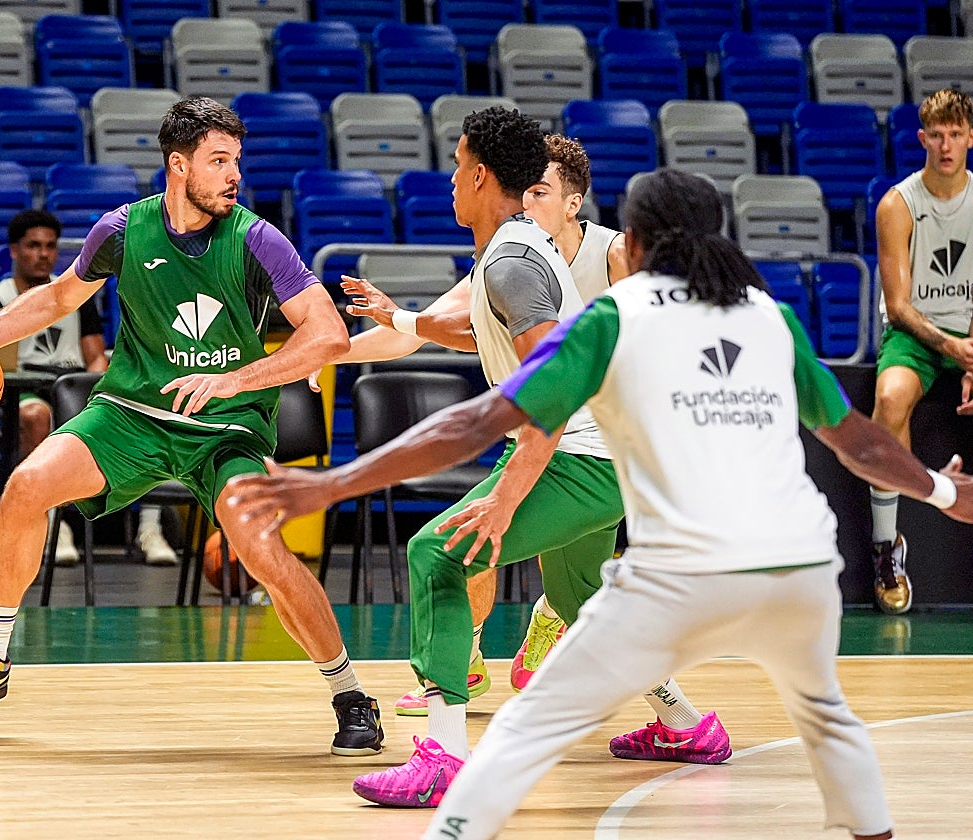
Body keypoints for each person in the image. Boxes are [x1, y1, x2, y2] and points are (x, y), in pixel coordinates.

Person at [228, 168, 973, 839]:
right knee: (830, 723)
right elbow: (857, 441)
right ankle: (720, 744)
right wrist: (943, 489)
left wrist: (330, 484)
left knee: (518, 725)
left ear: (636, 241)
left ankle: (446, 789)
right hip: (804, 572)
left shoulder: (614, 316)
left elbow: (478, 421)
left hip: (682, 577)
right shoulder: (766, 315)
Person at [0, 97, 384, 758]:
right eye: (218, 161)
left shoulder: (257, 239)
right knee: (26, 486)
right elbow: (57, 297)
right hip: (131, 414)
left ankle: (350, 696)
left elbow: (329, 332)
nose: (234, 176)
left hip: (224, 429)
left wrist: (236, 380)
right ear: (178, 164)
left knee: (260, 548)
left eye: (237, 161)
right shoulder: (121, 230)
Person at [320, 108, 725, 809]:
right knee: (581, 599)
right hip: (607, 452)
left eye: (454, 166)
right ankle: (687, 725)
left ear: (479, 176)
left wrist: (504, 498)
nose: (449, 179)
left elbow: (555, 385)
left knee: (438, 554)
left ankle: (443, 756)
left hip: (586, 452)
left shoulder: (512, 258)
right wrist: (366, 334)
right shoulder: (509, 253)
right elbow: (466, 328)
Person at [0, 210, 179, 567]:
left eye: (51, 247)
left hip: (71, 389)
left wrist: (97, 395)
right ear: (13, 250)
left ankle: (150, 529)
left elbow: (96, 358)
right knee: (36, 415)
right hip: (22, 392)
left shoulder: (75, 293)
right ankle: (56, 527)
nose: (43, 254)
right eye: (34, 246)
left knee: (151, 412)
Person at [870, 87, 973, 615]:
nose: (946, 144)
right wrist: (951, 345)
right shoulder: (899, 203)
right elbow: (899, 304)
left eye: (956, 133)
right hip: (917, 336)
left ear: (970, 137)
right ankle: (887, 548)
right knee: (889, 401)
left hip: (971, 335)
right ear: (922, 139)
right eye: (937, 134)